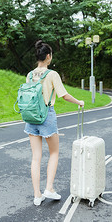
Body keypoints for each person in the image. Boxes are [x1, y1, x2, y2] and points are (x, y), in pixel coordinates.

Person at [24, 40, 85, 206]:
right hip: (46, 116)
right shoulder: (51, 74)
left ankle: (37, 195)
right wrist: (79, 101)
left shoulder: (30, 75)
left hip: (31, 117)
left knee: (36, 157)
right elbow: (63, 95)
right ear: (48, 56)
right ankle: (49, 188)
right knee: (54, 153)